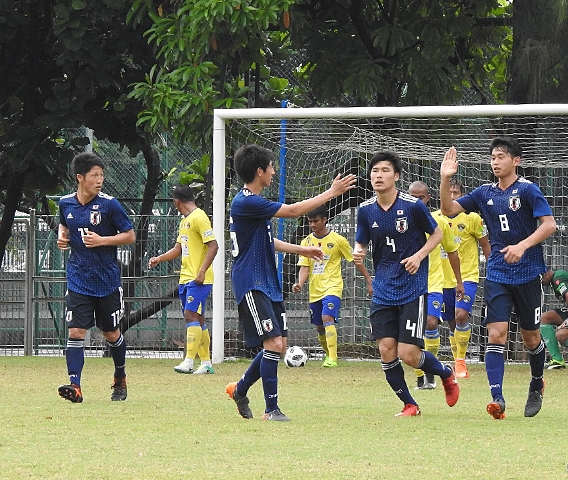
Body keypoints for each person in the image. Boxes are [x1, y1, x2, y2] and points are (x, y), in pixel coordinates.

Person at [225, 144, 356, 421]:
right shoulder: (246, 201)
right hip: (251, 282)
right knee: (272, 345)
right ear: (259, 171)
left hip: (267, 281)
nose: (274, 171)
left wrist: (303, 250)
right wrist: (332, 192)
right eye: (271, 166)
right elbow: (295, 211)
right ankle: (271, 410)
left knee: (280, 345)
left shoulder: (253, 203)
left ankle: (240, 389)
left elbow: (266, 241)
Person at [440, 136, 557, 419]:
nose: (495, 161)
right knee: (496, 333)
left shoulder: (528, 190)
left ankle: (536, 383)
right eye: (493, 157)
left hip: (528, 273)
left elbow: (549, 225)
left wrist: (522, 246)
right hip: (497, 273)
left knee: (531, 338)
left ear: (516, 161)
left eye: (501, 156)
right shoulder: (483, 193)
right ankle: (498, 398)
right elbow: (448, 210)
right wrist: (445, 179)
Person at [353, 149, 459, 418]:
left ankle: (446, 374)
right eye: (375, 171)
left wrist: (419, 255)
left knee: (409, 354)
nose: (378, 175)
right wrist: (358, 250)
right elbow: (362, 240)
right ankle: (410, 404)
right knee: (386, 350)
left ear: (396, 176)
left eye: (385, 170)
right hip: (383, 289)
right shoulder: (365, 211)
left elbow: (437, 233)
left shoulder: (413, 206)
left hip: (413, 288)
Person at [57, 152, 135, 403]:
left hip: (107, 281)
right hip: (78, 278)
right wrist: (62, 237)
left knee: (111, 333)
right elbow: (64, 224)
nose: (100, 179)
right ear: (80, 178)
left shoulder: (110, 204)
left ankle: (120, 378)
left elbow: (130, 235)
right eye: (94, 175)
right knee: (76, 331)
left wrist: (103, 240)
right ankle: (75, 386)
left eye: (101, 175)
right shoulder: (65, 203)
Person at [148, 185, 219, 374]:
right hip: (186, 277)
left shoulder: (199, 217)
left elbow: (213, 246)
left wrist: (202, 271)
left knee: (190, 316)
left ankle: (188, 361)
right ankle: (206, 363)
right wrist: (159, 258)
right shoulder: (185, 220)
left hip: (199, 278)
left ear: (176, 202)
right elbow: (178, 248)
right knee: (199, 319)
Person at [291, 204, 372, 367]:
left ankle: (333, 359)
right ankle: (328, 354)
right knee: (320, 327)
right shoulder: (306, 242)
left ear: (324, 220)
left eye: (315, 221)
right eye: (310, 222)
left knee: (327, 317)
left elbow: (355, 260)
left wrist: (369, 280)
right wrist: (299, 283)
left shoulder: (338, 240)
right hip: (315, 290)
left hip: (333, 287)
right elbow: (304, 267)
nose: (313, 225)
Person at [407, 181, 463, 390]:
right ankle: (421, 374)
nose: (416, 200)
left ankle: (430, 374)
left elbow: (452, 251)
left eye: (420, 197)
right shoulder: (402, 221)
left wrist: (458, 281)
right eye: (412, 196)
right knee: (412, 332)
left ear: (428, 198)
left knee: (431, 323)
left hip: (434, 284)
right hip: (409, 286)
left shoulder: (439, 222)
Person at [437, 177, 491, 379]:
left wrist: (492, 266)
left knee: (461, 315)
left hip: (467, 276)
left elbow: (486, 246)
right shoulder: (435, 218)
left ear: (462, 196)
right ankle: (456, 359)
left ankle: (460, 362)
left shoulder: (473, 219)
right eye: (448, 193)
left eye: (456, 193)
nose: (452, 197)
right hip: (442, 279)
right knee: (452, 322)